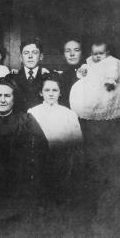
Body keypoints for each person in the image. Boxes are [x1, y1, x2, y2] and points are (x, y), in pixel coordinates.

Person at [0, 76, 48, 200]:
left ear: (14, 98)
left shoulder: (26, 120)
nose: (3, 100)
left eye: (7, 96)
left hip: (20, 186)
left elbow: (41, 151)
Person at [27, 73, 83, 203]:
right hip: (40, 165)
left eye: (55, 90)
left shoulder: (69, 114)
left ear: (60, 92)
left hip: (64, 166)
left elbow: (77, 144)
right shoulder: (32, 113)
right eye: (47, 90)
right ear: (41, 93)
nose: (51, 94)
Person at [6, 37, 49, 112]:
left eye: (34, 52)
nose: (30, 56)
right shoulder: (11, 78)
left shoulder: (49, 76)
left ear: (41, 56)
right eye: (26, 53)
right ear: (21, 58)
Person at [58, 39, 84, 108]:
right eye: (67, 51)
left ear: (82, 54)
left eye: (76, 50)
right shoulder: (60, 78)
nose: (72, 54)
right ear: (63, 56)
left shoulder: (90, 74)